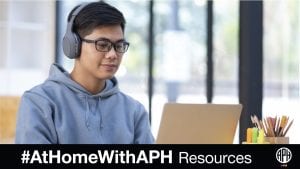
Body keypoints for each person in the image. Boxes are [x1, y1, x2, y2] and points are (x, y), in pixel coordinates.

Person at [15, 1, 154, 144]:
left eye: (119, 45)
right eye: (102, 44)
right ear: (74, 45)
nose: (113, 54)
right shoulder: (40, 102)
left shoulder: (134, 111)